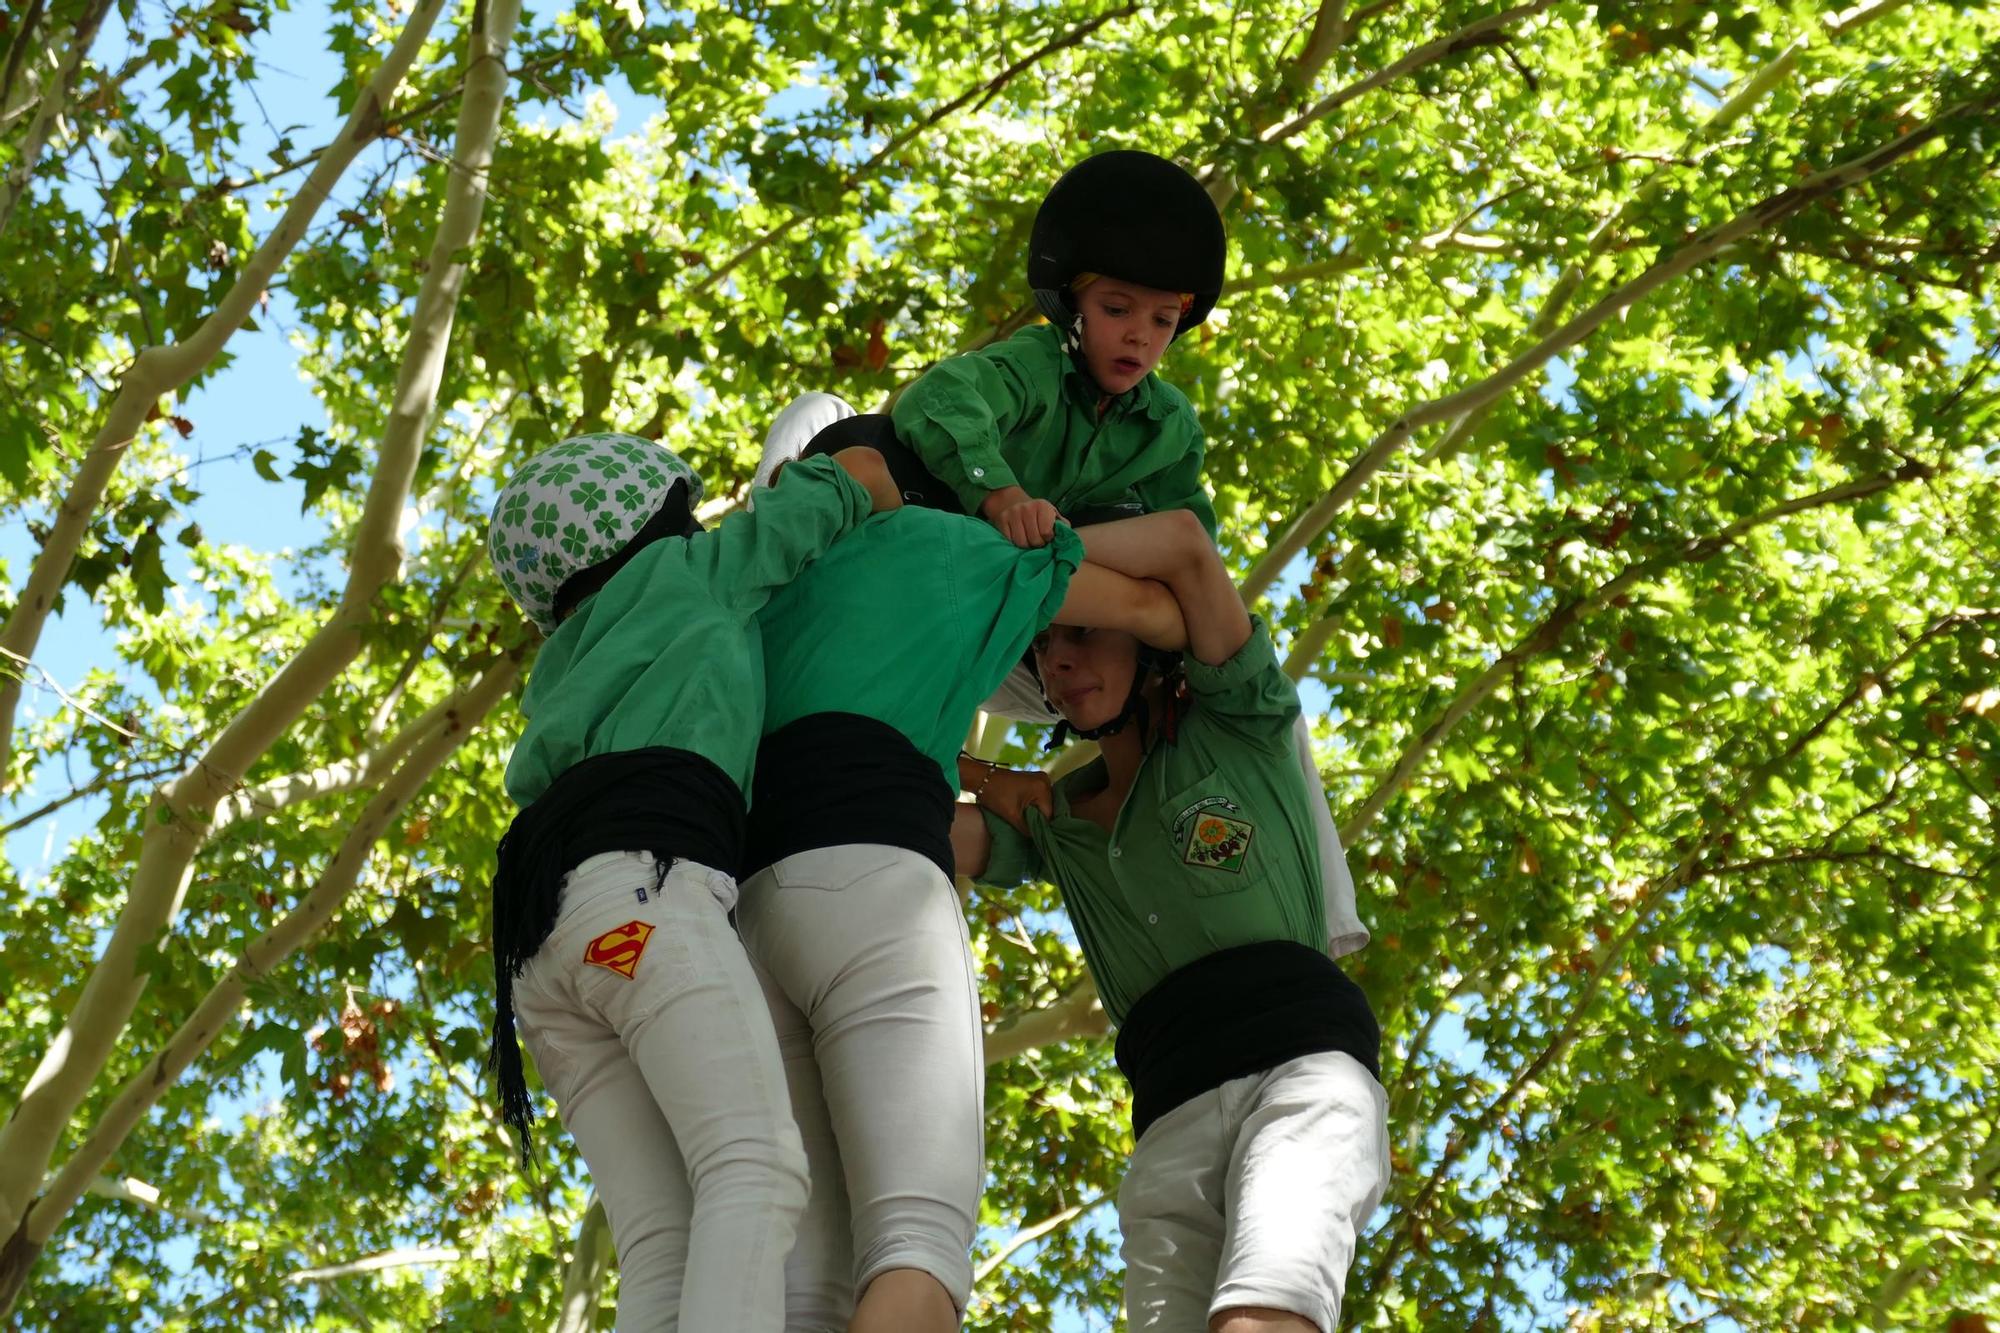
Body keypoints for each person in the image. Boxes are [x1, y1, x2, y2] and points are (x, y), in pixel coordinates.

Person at [739, 436, 1188, 1333]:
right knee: (918, 1247)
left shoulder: (761, 584)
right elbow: (1153, 613)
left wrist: (980, 773)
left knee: (805, 1283)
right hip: (874, 882)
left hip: (747, 909)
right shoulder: (946, 546)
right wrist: (1031, 524)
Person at [483, 431, 901, 1331]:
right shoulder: (692, 572)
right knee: (754, 1164)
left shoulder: (561, 664)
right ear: (659, 521)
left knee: (661, 1240)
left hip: (543, 955)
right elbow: (860, 479)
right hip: (640, 903)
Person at [952, 510, 1389, 1333]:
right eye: (1045, 646)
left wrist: (994, 554)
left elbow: (1187, 544)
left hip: (1299, 1078)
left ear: (1145, 637)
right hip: (1169, 1119)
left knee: (1260, 1318)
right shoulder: (1054, 814)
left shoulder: (1241, 717)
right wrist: (977, 768)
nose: (1062, 659)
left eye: (1084, 629)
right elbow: (895, 817)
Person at [891, 149, 1225, 549]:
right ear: (1074, 306)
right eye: (1117, 309)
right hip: (964, 554)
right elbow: (938, 398)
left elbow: (1192, 542)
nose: (1141, 336)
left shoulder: (1169, 429)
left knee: (1168, 593)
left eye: (1163, 320)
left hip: (1073, 588)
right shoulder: (1033, 367)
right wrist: (1005, 498)